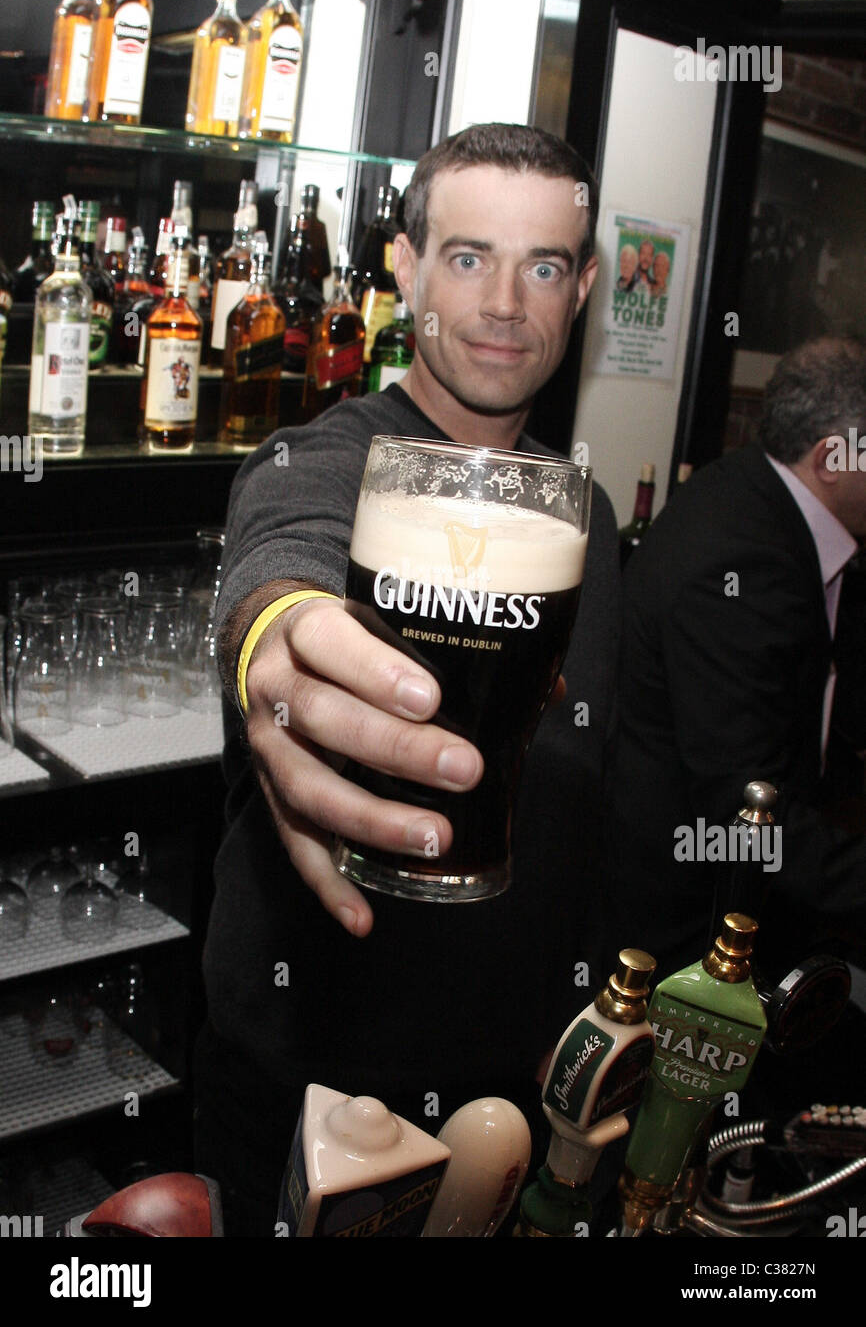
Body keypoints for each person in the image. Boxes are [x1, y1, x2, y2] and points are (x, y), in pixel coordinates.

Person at [194, 123, 622, 1235]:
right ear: (405, 270)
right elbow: (281, 564)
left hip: (497, 1089)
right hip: (307, 1073)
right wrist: (276, 641)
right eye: (468, 256)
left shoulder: (583, 517)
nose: (502, 304)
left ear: (579, 290)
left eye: (541, 267)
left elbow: (579, 793)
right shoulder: (329, 461)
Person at [608, 335, 866, 985]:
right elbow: (742, 814)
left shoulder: (755, 493)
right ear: (831, 457)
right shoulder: (742, 560)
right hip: (681, 941)